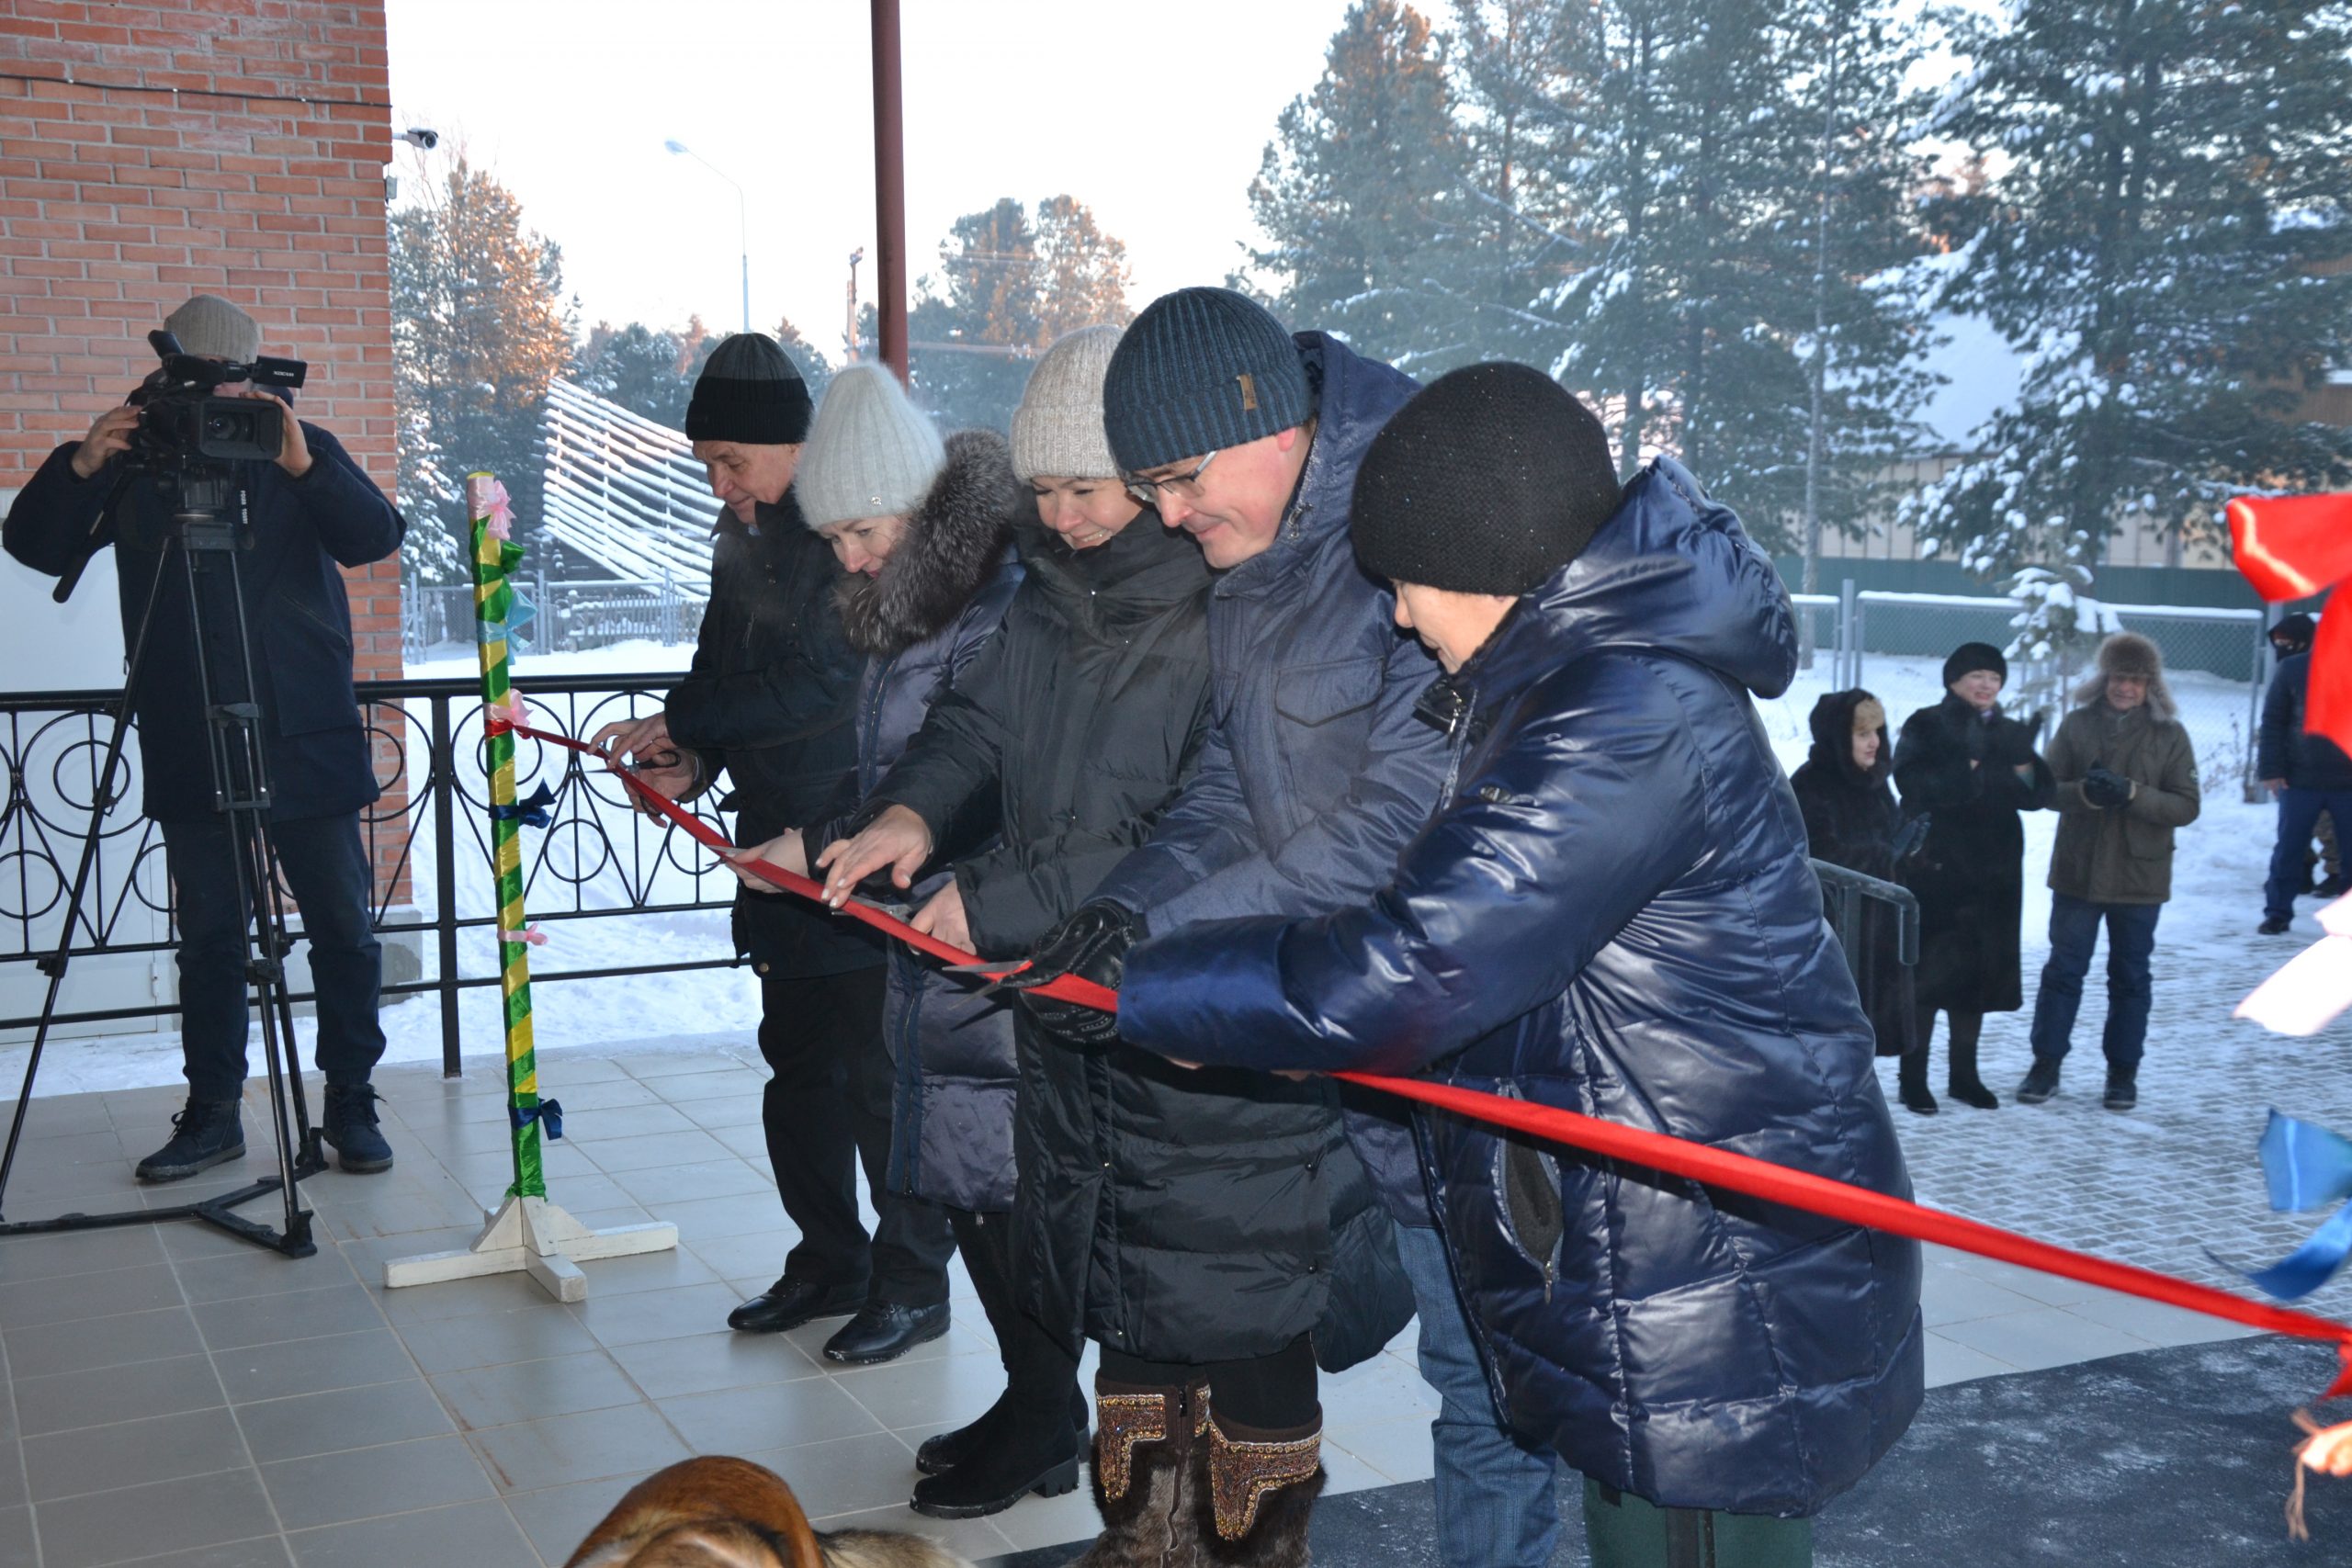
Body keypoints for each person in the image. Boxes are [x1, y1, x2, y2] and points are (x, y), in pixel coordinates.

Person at [1113, 362, 1923, 1568]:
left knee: (1681, 1544)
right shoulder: (1568, 689)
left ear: (1491, 571)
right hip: (1656, 1251)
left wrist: (1167, 994)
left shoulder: (1620, 717)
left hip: (1712, 1279)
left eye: (1405, 585)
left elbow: (1416, 960)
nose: (1395, 616)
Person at [1005, 289, 1567, 1567]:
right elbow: (1227, 777)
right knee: (1472, 1390)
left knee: (1505, 1405)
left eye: (1177, 477)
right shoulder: (1258, 550)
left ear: (1265, 422)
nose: (1164, 512)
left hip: (1479, 1040)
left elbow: (1387, 828)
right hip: (1367, 1042)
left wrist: (1167, 956)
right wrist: (1126, 905)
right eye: (1143, 484)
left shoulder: (1413, 527)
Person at [814, 325, 1240, 1525]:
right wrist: (907, 809)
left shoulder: (1215, 614)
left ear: (1156, 482)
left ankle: (1136, 1476)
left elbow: (1188, 826)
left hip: (1152, 988)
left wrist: (997, 898)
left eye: (1085, 490)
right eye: (1043, 491)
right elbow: (977, 730)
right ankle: (1048, 1412)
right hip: (1045, 973)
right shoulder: (1055, 598)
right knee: (1029, 1207)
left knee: (1150, 1266)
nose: (1062, 518)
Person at [3, 295, 404, 1180]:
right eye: (200, 376)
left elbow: (375, 536)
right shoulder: (138, 453)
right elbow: (29, 546)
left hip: (304, 732)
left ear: (257, 374)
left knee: (343, 926)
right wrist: (78, 464)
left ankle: (350, 1102)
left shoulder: (296, 443)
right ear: (168, 371)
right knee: (212, 936)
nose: (220, 395)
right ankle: (214, 1111)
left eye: (235, 378)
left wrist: (304, 466)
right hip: (189, 733)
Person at [585, 335, 890, 1345]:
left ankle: (909, 1283)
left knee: (877, 1079)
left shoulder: (847, 532)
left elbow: (823, 687)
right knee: (796, 1067)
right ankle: (828, 1259)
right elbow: (720, 668)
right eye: (707, 463)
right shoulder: (742, 534)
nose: (722, 485)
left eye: (735, 462)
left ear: (793, 446)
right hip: (771, 851)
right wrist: (690, 761)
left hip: (851, 844)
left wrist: (692, 724)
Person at [729, 364, 1020, 1366]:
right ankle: (868, 1273)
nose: (849, 560)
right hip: (882, 879)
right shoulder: (897, 602)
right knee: (860, 1081)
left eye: (864, 532)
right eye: (835, 539)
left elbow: (949, 765)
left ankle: (916, 1292)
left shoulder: (986, 603)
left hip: (957, 899)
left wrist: (817, 843)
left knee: (920, 1103)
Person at [2017, 633, 2199, 1111]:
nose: (2125, 688)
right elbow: (2045, 791)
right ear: (2105, 679)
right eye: (2119, 677)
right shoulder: (2077, 725)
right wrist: (2086, 794)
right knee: (2062, 973)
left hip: (2139, 880)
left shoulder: (2170, 735)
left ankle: (2123, 1073)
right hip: (2079, 873)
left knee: (2131, 978)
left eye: (2136, 680)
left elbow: (2186, 805)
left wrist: (2134, 794)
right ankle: (2046, 1064)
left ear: (2149, 685)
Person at [1890, 643, 2054, 1115]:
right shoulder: (1926, 723)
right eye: (1976, 676)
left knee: (1977, 982)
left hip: (1994, 875)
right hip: (1937, 870)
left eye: (1994, 678)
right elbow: (1910, 783)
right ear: (1953, 680)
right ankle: (1913, 1079)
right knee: (1928, 978)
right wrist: (1969, 766)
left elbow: (2037, 796)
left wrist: (2024, 761)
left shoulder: (2005, 728)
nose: (1986, 685)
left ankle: (1965, 1077)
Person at [1791, 690, 1917, 1060]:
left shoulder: (1873, 784)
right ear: (1837, 737)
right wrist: (1882, 856)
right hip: (1838, 934)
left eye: (1878, 731)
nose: (1874, 742)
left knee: (1864, 1043)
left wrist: (1908, 848)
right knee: (1833, 1044)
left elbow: (1884, 843)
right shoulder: (1812, 785)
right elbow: (1818, 856)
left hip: (1877, 932)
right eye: (1863, 733)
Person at [2261, 613, 2352, 933]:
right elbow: (2273, 721)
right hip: (2300, 780)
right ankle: (2277, 913)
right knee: (2289, 851)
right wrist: (2272, 769)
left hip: (2348, 785)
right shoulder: (2293, 669)